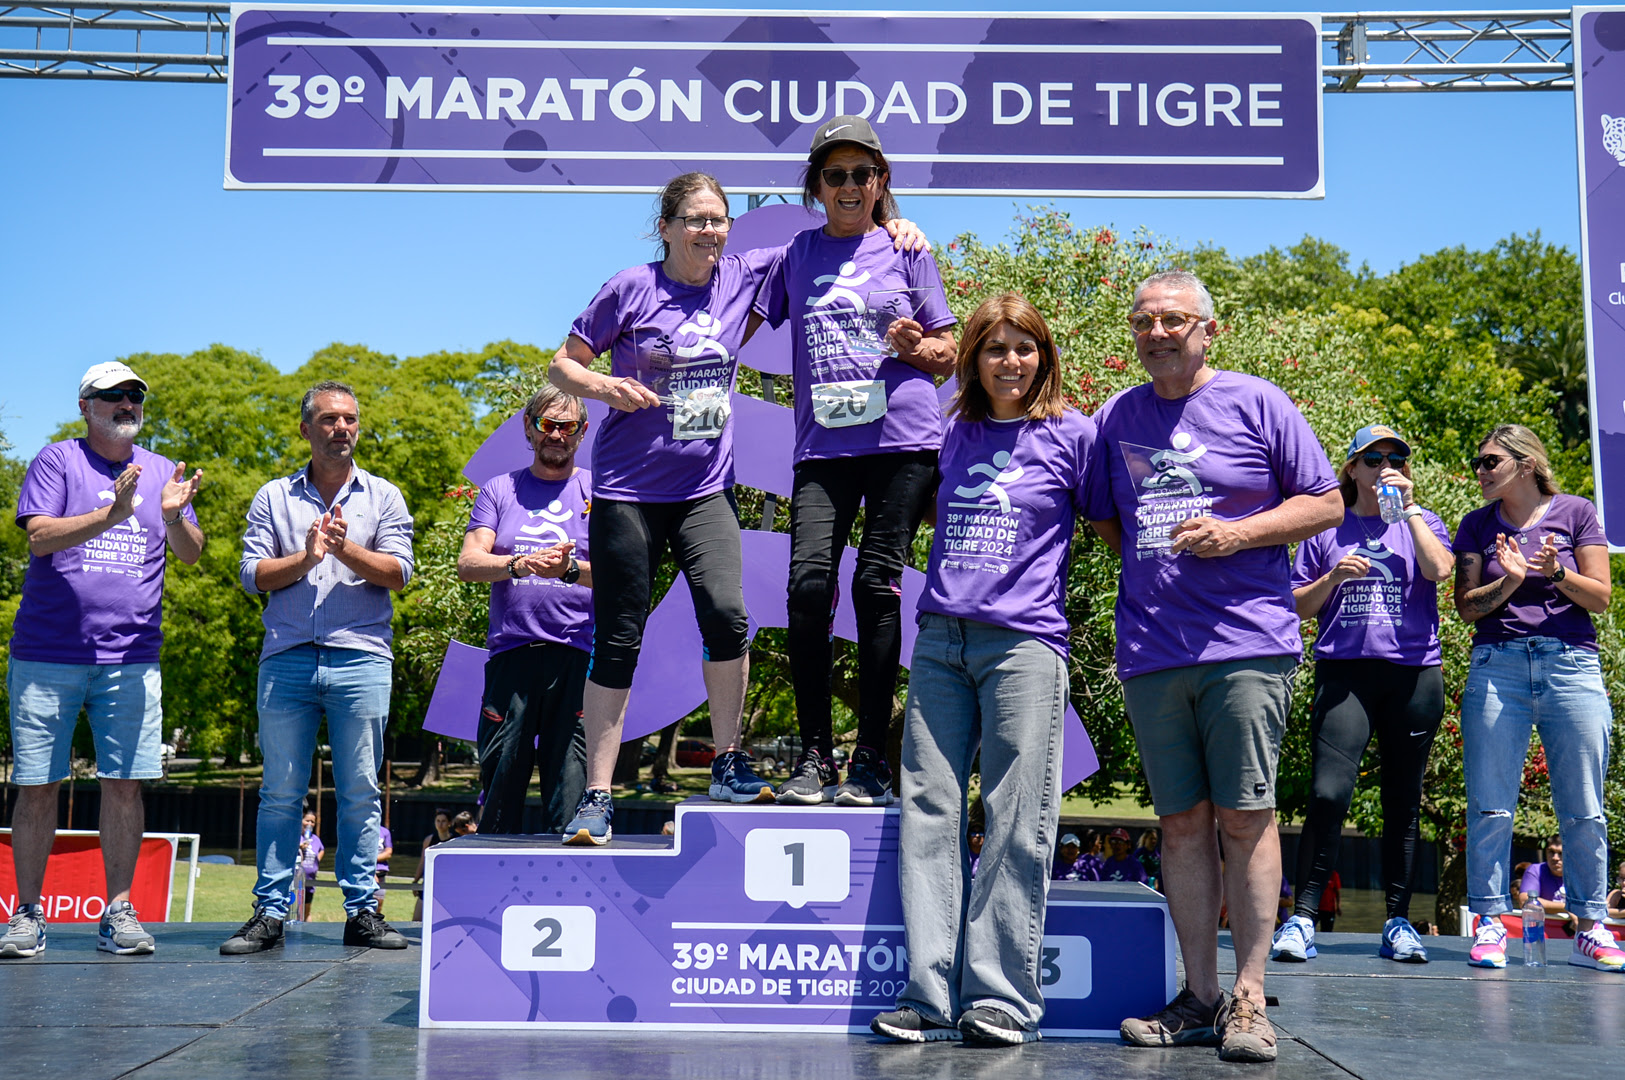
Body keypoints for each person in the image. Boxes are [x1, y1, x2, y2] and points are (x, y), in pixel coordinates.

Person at [548, 172, 926, 842]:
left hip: (703, 488)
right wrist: (604, 385)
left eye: (718, 220)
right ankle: (598, 796)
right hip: (626, 491)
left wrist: (895, 227)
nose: (708, 231)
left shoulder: (746, 273)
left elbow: (838, 246)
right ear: (664, 227)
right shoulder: (629, 287)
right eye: (694, 219)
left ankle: (726, 762)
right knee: (618, 637)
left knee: (727, 616)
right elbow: (562, 366)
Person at [1087, 270, 1342, 1063]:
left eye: (1172, 320)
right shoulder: (1115, 418)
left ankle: (1247, 998)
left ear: (1207, 329)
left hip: (1246, 645)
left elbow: (1326, 503)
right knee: (1181, 824)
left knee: (1244, 816)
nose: (1156, 332)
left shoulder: (1258, 401)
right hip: (1153, 651)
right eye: (1143, 321)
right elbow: (1104, 519)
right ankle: (1197, 997)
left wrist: (1236, 535)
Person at [869, 293, 1095, 1046]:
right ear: (971, 357)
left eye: (1023, 348)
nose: (1010, 361)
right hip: (939, 639)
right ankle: (927, 996)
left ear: (1044, 355)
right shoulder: (949, 427)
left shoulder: (1074, 434)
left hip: (1024, 646)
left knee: (1016, 819)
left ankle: (998, 998)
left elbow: (1107, 526)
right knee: (929, 812)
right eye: (994, 348)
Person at [755, 116, 958, 808]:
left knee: (877, 587)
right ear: (816, 186)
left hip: (901, 442)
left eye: (860, 174)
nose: (848, 185)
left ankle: (870, 756)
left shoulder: (908, 253)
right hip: (823, 448)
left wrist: (910, 346)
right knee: (807, 590)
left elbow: (947, 354)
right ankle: (814, 756)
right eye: (834, 174)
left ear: (880, 183)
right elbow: (732, 318)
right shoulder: (796, 256)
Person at [1, 362, 204, 960]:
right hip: (48, 656)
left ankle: (118, 912)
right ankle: (27, 915)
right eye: (110, 395)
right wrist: (109, 516)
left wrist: (170, 516)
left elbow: (191, 555)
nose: (124, 403)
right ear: (85, 405)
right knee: (37, 786)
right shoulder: (57, 461)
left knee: (124, 787)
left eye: (133, 395)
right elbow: (37, 537)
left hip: (133, 660)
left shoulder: (165, 471)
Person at [221, 381, 413, 955]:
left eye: (350, 419)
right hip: (287, 659)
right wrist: (306, 558)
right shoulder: (273, 497)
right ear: (306, 429)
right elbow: (251, 574)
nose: (342, 428)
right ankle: (270, 913)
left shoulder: (384, 497)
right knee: (281, 793)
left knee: (361, 790)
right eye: (329, 419)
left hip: (361, 657)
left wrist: (345, 549)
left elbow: (401, 572)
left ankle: (362, 911)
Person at [1276, 424, 1453, 965]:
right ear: (1351, 468)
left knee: (1403, 801)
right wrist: (1332, 578)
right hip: (1345, 672)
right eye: (1372, 459)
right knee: (1329, 794)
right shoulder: (1327, 526)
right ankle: (1302, 919)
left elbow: (1440, 569)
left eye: (1396, 457)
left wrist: (1412, 513)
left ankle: (1398, 920)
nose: (1385, 466)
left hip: (1413, 673)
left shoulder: (1424, 522)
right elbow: (1296, 606)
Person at [1452, 424, 1622, 972]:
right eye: (1477, 461)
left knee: (1584, 806)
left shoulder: (1576, 512)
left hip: (1571, 664)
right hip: (1496, 665)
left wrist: (1557, 572)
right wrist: (1509, 583)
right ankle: (1489, 922)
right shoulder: (1476, 525)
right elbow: (1465, 607)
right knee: (1490, 803)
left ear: (1525, 464)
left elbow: (1600, 598)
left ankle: (1591, 925)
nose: (1479, 470)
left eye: (1489, 461)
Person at [457, 385, 595, 836]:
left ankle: (574, 895)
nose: (556, 435)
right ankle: (493, 897)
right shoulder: (500, 490)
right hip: (511, 660)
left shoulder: (602, 491)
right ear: (529, 429)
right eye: (547, 425)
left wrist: (570, 569)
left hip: (576, 659)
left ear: (582, 432)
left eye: (566, 426)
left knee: (571, 798)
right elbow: (469, 563)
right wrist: (518, 564)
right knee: (498, 795)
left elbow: (626, 575)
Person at [1519, 838, 1579, 936]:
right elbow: (1526, 901)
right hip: (1541, 937)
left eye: (1561, 853)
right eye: (1551, 852)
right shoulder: (1536, 871)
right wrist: (1568, 907)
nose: (1555, 858)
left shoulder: (1580, 875)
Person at [411, 808, 453, 922]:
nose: (440, 824)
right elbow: (422, 862)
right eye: (438, 820)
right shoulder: (429, 840)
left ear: (449, 823)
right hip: (429, 882)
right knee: (416, 919)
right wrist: (415, 882)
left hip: (446, 885)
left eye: (443, 821)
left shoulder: (454, 841)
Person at [295, 810, 324, 921]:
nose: (310, 824)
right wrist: (299, 848)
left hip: (310, 881)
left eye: (312, 822)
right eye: (307, 820)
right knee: (294, 910)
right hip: (296, 881)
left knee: (306, 911)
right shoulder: (296, 837)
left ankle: (307, 931)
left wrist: (317, 861)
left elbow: (321, 850)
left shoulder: (315, 839)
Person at [374, 823, 393, 917]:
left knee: (379, 903)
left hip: (381, 873)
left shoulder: (385, 832)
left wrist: (372, 858)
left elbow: (388, 853)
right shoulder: (362, 830)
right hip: (366, 874)